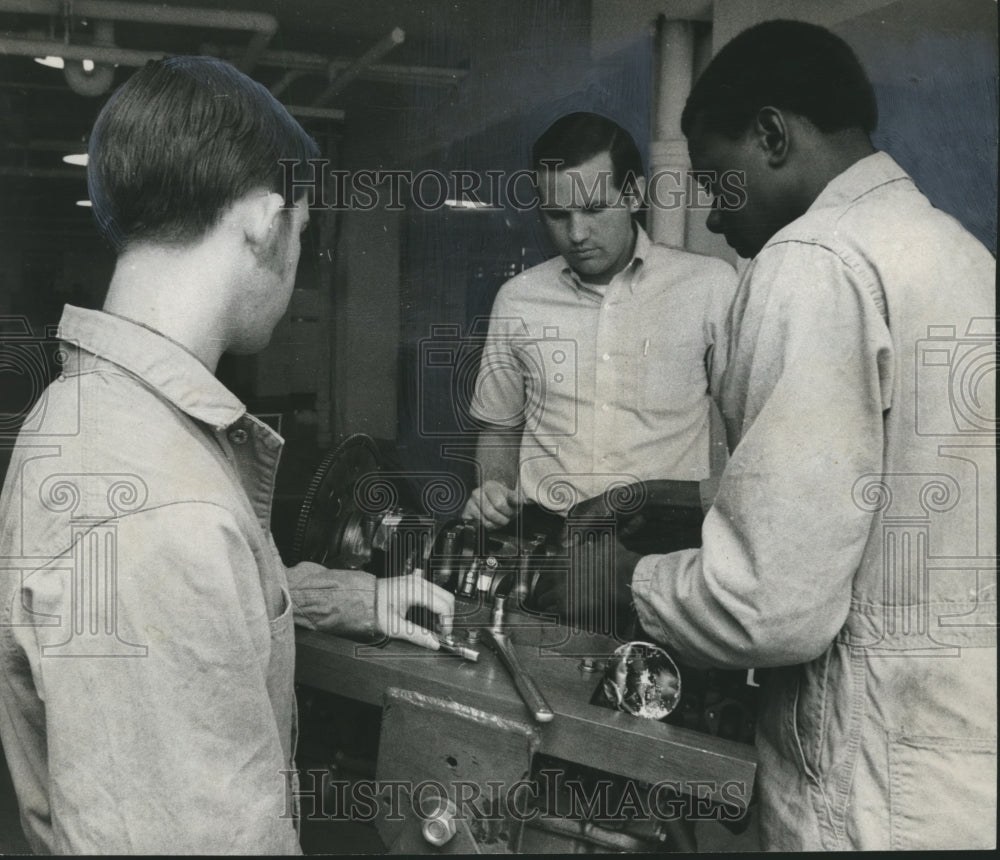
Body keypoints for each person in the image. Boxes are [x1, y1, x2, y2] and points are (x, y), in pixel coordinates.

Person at [541, 20, 997, 851]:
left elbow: (769, 609)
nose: (713, 220)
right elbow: (897, 487)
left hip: (866, 794)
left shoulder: (811, 262)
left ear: (774, 134)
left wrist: (623, 582)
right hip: (960, 776)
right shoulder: (957, 255)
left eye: (718, 181)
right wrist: (694, 500)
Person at [0, 57, 453, 854]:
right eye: (303, 236)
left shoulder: (95, 414)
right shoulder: (160, 509)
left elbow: (209, 596)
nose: (295, 262)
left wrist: (338, 600)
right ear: (265, 220)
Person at [463, 113, 737, 558]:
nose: (576, 233)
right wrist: (493, 491)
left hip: (664, 549)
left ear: (634, 195)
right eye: (557, 214)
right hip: (544, 544)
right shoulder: (517, 299)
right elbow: (500, 426)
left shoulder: (710, 287)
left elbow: (750, 427)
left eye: (593, 209)